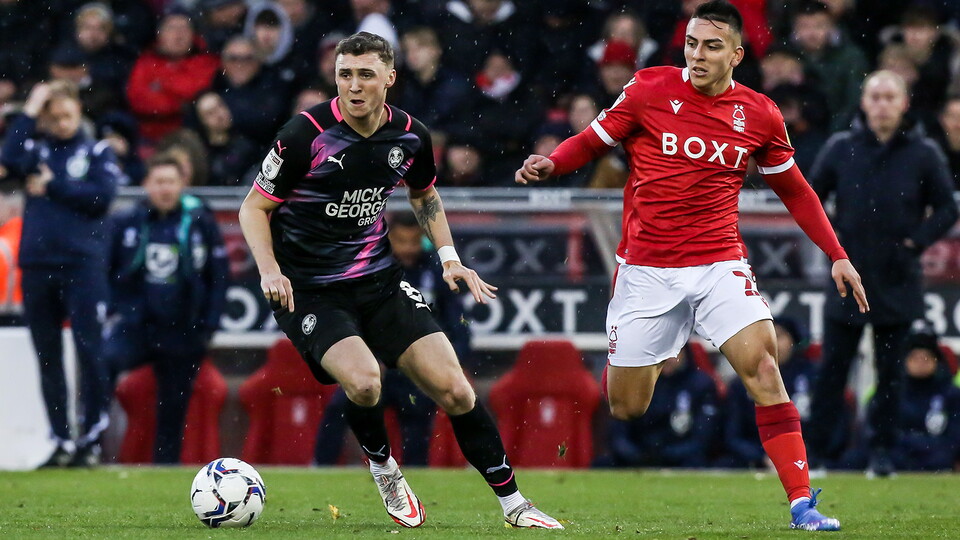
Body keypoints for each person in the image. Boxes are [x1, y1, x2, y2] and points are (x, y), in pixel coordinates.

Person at [515, 1, 867, 531]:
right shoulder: (648, 89)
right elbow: (591, 142)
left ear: (737, 55)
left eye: (712, 46)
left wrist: (837, 255)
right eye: (692, 44)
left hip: (719, 263)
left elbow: (797, 192)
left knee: (765, 368)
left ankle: (802, 504)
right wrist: (553, 161)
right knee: (628, 407)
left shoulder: (761, 115)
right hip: (646, 270)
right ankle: (658, 345)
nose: (698, 55)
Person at [238, 32, 561, 530]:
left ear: (390, 78)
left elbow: (424, 195)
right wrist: (269, 269)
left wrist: (449, 258)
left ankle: (515, 505)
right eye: (345, 74)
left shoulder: (411, 135)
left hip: (380, 281)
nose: (354, 85)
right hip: (309, 289)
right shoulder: (305, 135)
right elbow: (254, 207)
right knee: (366, 382)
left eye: (366, 74)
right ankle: (384, 467)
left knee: (456, 390)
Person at [806, 70, 959, 478]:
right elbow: (809, 198)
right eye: (875, 96)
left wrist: (914, 244)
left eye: (890, 96)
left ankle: (883, 455)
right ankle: (818, 455)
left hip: (898, 279)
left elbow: (948, 207)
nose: (882, 104)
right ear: (864, 102)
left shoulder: (923, 152)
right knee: (832, 372)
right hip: (846, 277)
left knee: (892, 376)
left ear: (904, 103)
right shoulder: (840, 148)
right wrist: (832, 244)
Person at [1, 80, 123, 467]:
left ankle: (90, 438)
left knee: (90, 351)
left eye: (67, 114)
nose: (62, 122)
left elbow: (102, 198)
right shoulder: (35, 149)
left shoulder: (96, 151)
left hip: (82, 264)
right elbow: (6, 158)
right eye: (53, 117)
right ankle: (60, 439)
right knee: (48, 356)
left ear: (78, 113)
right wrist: (30, 108)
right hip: (36, 264)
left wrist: (54, 187)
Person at [315, 211, 471, 466]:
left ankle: (418, 480)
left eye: (414, 241)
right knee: (339, 409)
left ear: (422, 238)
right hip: (375, 366)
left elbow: (458, 325)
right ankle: (321, 469)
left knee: (418, 422)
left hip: (416, 370)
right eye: (401, 241)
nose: (408, 248)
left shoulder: (436, 272)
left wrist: (449, 362)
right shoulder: (370, 268)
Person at [103, 154, 229, 464]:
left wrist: (209, 324)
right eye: (159, 182)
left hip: (184, 327)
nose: (165, 189)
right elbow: (105, 269)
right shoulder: (127, 221)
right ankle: (91, 441)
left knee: (174, 404)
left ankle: (165, 467)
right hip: (138, 325)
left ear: (182, 185)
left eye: (171, 182)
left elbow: (219, 275)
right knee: (102, 363)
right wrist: (117, 308)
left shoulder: (200, 221)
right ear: (146, 184)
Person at [606, 345, 721, 468]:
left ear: (684, 353)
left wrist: (666, 455)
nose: (668, 359)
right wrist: (636, 455)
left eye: (673, 353)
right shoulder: (637, 382)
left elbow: (703, 438)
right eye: (662, 352)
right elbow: (619, 432)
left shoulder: (700, 384)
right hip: (639, 456)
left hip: (682, 459)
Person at [889, 323, 960, 471]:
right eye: (915, 358)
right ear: (905, 361)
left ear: (936, 361)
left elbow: (954, 437)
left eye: (926, 358)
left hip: (937, 455)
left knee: (941, 459)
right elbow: (881, 430)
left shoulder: (951, 394)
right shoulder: (892, 391)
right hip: (899, 454)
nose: (920, 363)